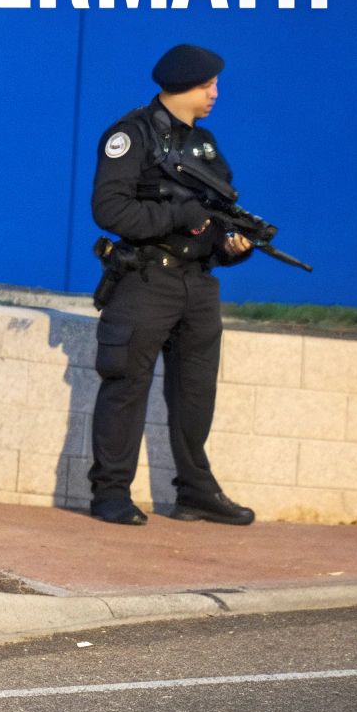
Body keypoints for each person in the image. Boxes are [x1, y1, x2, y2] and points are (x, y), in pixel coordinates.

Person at [87, 43, 257, 526]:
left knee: (196, 393)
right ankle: (111, 493)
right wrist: (177, 215)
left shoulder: (204, 146)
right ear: (181, 85)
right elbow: (110, 209)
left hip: (197, 285)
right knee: (126, 386)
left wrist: (230, 245)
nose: (214, 94)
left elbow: (216, 221)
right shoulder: (130, 136)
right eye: (208, 86)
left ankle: (196, 492)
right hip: (146, 279)